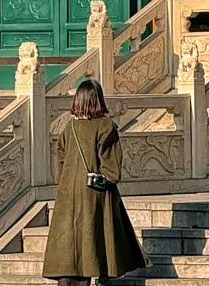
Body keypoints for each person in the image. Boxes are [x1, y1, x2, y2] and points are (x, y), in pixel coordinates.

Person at [43, 78, 147, 285]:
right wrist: (105, 179)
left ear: (78, 100)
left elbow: (60, 161)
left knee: (72, 243)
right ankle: (103, 276)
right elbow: (112, 170)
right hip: (94, 193)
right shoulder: (106, 126)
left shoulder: (70, 127)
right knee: (96, 238)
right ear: (98, 100)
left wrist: (66, 183)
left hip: (67, 195)